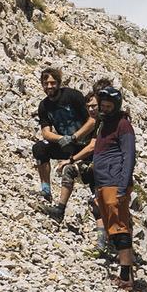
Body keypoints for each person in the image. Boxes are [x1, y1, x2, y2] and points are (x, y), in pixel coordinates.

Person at [67, 85, 143, 292]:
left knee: (119, 227)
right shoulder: (104, 124)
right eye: (103, 106)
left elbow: (129, 156)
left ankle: (127, 276)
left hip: (114, 183)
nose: (104, 109)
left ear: (116, 106)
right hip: (103, 183)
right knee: (113, 228)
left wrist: (122, 186)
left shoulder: (123, 125)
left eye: (109, 106)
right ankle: (125, 272)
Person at [31, 67, 93, 203]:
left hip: (87, 145)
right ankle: (46, 190)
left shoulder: (72, 96)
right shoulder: (44, 106)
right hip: (68, 145)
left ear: (59, 83)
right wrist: (62, 139)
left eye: (52, 83)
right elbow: (46, 132)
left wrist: (75, 136)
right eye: (46, 83)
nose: (49, 86)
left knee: (93, 178)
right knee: (39, 148)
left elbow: (92, 120)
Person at [51, 90, 103, 231]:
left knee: (99, 202)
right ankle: (59, 211)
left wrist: (71, 159)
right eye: (89, 107)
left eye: (94, 106)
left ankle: (107, 243)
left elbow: (92, 146)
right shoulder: (96, 122)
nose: (91, 109)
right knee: (96, 202)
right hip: (95, 165)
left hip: (107, 168)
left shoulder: (104, 122)